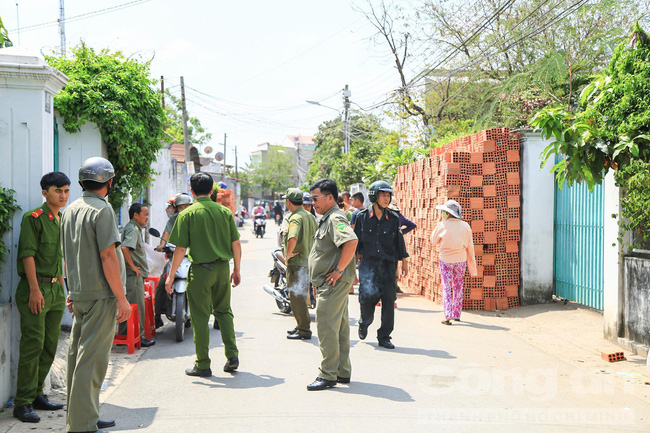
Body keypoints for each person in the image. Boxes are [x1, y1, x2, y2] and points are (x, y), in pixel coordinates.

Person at [61, 157, 131, 433]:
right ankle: (82, 424)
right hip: (101, 295)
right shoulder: (102, 211)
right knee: (92, 360)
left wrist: (72, 290)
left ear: (80, 183)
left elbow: (67, 254)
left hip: (80, 293)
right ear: (109, 182)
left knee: (78, 356)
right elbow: (107, 256)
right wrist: (122, 298)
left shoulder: (70, 210)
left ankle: (84, 414)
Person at [166, 172, 242, 377]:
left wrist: (170, 275)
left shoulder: (186, 214)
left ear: (191, 191)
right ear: (211, 191)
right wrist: (237, 269)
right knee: (224, 311)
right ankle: (232, 355)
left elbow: (180, 249)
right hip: (222, 268)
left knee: (200, 317)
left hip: (200, 271)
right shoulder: (225, 212)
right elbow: (236, 243)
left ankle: (203, 364)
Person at [13, 172, 70, 423]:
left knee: (49, 346)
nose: (63, 195)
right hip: (36, 289)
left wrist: (68, 288)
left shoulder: (62, 220)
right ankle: (22, 402)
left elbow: (62, 258)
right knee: (33, 345)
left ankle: (37, 394)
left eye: (67, 191)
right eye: (59, 191)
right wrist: (35, 290)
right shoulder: (33, 218)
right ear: (45, 192)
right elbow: (28, 255)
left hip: (57, 290)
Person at [306, 179, 358, 391]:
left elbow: (351, 241)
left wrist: (338, 271)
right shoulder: (328, 218)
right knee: (340, 327)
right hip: (332, 282)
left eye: (316, 198)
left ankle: (327, 374)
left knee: (327, 327)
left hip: (333, 282)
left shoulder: (335, 218)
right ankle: (341, 371)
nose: (313, 203)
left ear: (329, 197)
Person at [353, 181, 409, 350]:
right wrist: (351, 270)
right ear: (374, 196)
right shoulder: (362, 218)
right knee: (367, 298)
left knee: (388, 301)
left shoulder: (393, 218)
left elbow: (399, 242)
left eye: (388, 195)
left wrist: (404, 263)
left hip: (387, 266)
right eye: (383, 195)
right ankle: (365, 322)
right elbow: (354, 245)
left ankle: (384, 336)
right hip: (368, 266)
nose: (386, 198)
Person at [431, 200, 478, 325]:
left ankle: (447, 315)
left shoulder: (442, 225)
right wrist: (473, 267)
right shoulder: (466, 226)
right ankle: (456, 314)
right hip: (460, 261)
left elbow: (433, 241)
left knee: (447, 287)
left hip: (445, 260)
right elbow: (470, 247)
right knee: (458, 286)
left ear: (447, 213)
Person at [283, 188, 317, 340]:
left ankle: (304, 329)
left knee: (296, 297)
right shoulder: (309, 216)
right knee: (301, 296)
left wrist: (288, 255)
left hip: (297, 262)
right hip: (308, 260)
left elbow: (292, 237)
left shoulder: (295, 217)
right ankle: (300, 326)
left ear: (288, 202)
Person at [120, 203, 155, 347]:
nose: (147, 218)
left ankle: (124, 336)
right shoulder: (133, 230)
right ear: (136, 215)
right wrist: (133, 266)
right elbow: (124, 248)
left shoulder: (133, 228)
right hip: (133, 276)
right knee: (138, 306)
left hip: (132, 275)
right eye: (145, 214)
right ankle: (138, 338)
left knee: (129, 306)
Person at [388, 197, 417, 293]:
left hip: (391, 247)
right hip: (395, 248)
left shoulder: (391, 218)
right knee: (393, 266)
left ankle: (392, 287)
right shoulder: (399, 217)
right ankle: (394, 286)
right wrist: (401, 232)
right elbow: (412, 225)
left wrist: (401, 232)